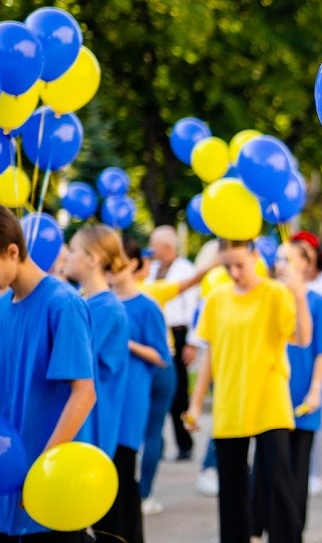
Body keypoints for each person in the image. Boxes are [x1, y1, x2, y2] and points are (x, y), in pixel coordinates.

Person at [185, 238, 312, 543]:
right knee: (231, 495)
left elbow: (303, 339)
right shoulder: (216, 298)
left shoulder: (275, 293)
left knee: (278, 488)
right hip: (230, 402)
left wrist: (299, 295)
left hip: (270, 400)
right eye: (227, 266)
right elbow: (211, 357)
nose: (234, 273)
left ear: (255, 255)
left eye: (239, 264)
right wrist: (195, 403)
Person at [0, 206, 97, 542]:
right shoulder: (2, 307)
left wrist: (41, 473)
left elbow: (84, 394)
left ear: (12, 251)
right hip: (7, 485)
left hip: (52, 487)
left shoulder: (63, 303)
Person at [252, 240, 322, 543]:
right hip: (271, 395)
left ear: (306, 264)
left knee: (296, 471)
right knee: (265, 465)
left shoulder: (318, 304)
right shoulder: (267, 299)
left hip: (301, 397)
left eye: (289, 258)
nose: (282, 263)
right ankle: (256, 527)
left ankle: (291, 531)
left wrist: (315, 391)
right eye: (279, 258)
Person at [60, 225, 131, 543]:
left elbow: (73, 358)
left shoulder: (107, 309)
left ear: (93, 259)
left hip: (91, 424)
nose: (66, 255)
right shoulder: (84, 301)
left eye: (73, 249)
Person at [101, 237, 173, 543]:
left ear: (132, 264)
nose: (110, 272)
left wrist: (127, 344)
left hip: (132, 394)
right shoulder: (98, 301)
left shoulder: (146, 306)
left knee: (125, 473)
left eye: (114, 264)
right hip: (103, 396)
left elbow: (162, 357)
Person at [139, 245, 217, 515]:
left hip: (135, 371)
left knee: (137, 436)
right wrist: (216, 262)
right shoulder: (150, 294)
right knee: (152, 432)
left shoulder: (107, 298)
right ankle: (143, 495)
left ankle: (131, 494)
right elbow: (192, 281)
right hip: (159, 366)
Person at [289, 231, 322, 494]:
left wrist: (316, 386)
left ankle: (314, 473)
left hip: (310, 365)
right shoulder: (272, 295)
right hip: (282, 377)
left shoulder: (321, 291)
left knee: (311, 427)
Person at [147, 225, 199, 461]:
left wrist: (191, 343)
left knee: (178, 392)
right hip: (157, 332)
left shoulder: (185, 269)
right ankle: (156, 443)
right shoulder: (153, 268)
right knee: (155, 390)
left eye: (154, 245)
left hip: (178, 332)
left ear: (167, 247)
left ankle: (184, 443)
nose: (151, 249)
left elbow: (194, 306)